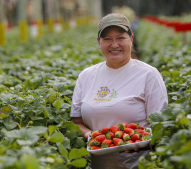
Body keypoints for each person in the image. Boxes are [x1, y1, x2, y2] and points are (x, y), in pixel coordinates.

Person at [70, 13, 168, 169]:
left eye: (120, 38)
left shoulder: (148, 75)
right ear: (98, 42)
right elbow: (76, 122)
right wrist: (91, 135)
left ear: (131, 39)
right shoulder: (86, 76)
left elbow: (159, 125)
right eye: (107, 39)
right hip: (97, 163)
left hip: (139, 164)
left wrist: (137, 141)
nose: (114, 44)